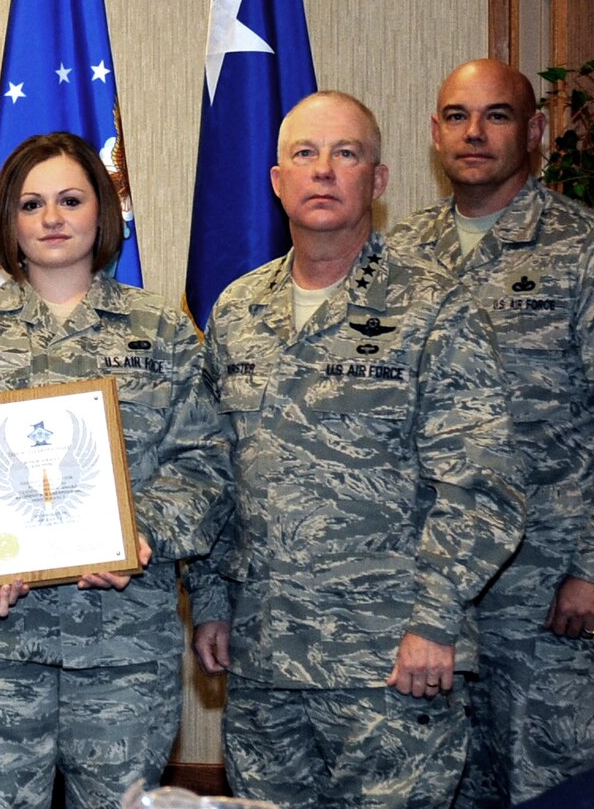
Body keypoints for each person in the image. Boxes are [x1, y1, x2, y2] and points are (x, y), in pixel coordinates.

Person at [187, 91, 524, 809]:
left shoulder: (435, 307)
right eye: (304, 155)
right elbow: (213, 472)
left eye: (346, 154)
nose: (323, 171)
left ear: (378, 179)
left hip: (393, 661)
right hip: (265, 660)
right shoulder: (238, 312)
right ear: (277, 180)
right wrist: (212, 599)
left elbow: (482, 484)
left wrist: (435, 622)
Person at [0, 133, 226, 808]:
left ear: (102, 211)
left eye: (70, 200)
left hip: (123, 648)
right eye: (32, 203)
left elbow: (206, 467)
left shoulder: (157, 329)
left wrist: (137, 535)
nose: (52, 218)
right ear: (6, 221)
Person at [388, 59, 594, 806]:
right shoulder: (395, 258)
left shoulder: (593, 254)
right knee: (430, 785)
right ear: (433, 133)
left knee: (547, 788)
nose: (475, 133)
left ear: (537, 132)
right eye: (457, 116)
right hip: (423, 587)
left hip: (545, 588)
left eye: (497, 115)